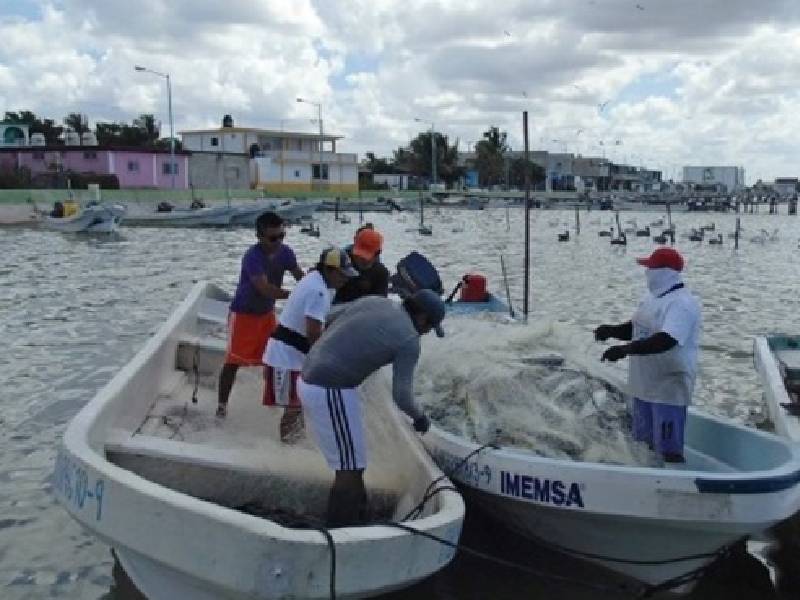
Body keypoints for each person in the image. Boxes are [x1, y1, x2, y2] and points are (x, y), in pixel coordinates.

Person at [299, 290, 445, 526]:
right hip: (329, 388)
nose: (426, 332)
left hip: (314, 375)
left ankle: (358, 518)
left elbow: (328, 315)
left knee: (355, 464)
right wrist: (420, 418)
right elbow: (402, 396)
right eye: (429, 327)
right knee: (348, 470)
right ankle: (337, 532)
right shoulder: (409, 340)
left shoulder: (376, 301)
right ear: (422, 318)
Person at [594, 247, 701, 463]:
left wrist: (625, 350)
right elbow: (635, 328)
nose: (646, 273)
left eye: (650, 268)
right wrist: (611, 331)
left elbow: (666, 340)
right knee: (641, 447)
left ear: (665, 272)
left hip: (667, 388)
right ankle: (646, 480)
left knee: (667, 450)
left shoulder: (682, 304)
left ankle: (673, 486)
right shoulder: (652, 298)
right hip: (643, 386)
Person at [263, 247, 357, 441]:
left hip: (289, 353)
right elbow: (313, 332)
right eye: (342, 275)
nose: (345, 279)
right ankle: (287, 452)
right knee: (294, 409)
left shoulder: (313, 277)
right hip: (286, 356)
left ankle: (294, 445)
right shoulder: (319, 292)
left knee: (298, 407)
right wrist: (327, 361)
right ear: (329, 270)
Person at [217, 211, 304, 418]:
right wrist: (295, 296)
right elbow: (264, 288)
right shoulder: (252, 257)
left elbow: (300, 276)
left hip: (267, 314)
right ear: (260, 236)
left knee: (275, 359)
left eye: (282, 236)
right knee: (233, 362)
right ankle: (222, 406)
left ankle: (274, 401)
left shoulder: (286, 253)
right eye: (273, 238)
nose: (278, 242)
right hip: (244, 314)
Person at [333, 226, 389, 304]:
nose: (362, 260)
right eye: (359, 255)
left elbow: (380, 304)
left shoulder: (381, 273)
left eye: (366, 256)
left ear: (377, 254)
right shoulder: (339, 262)